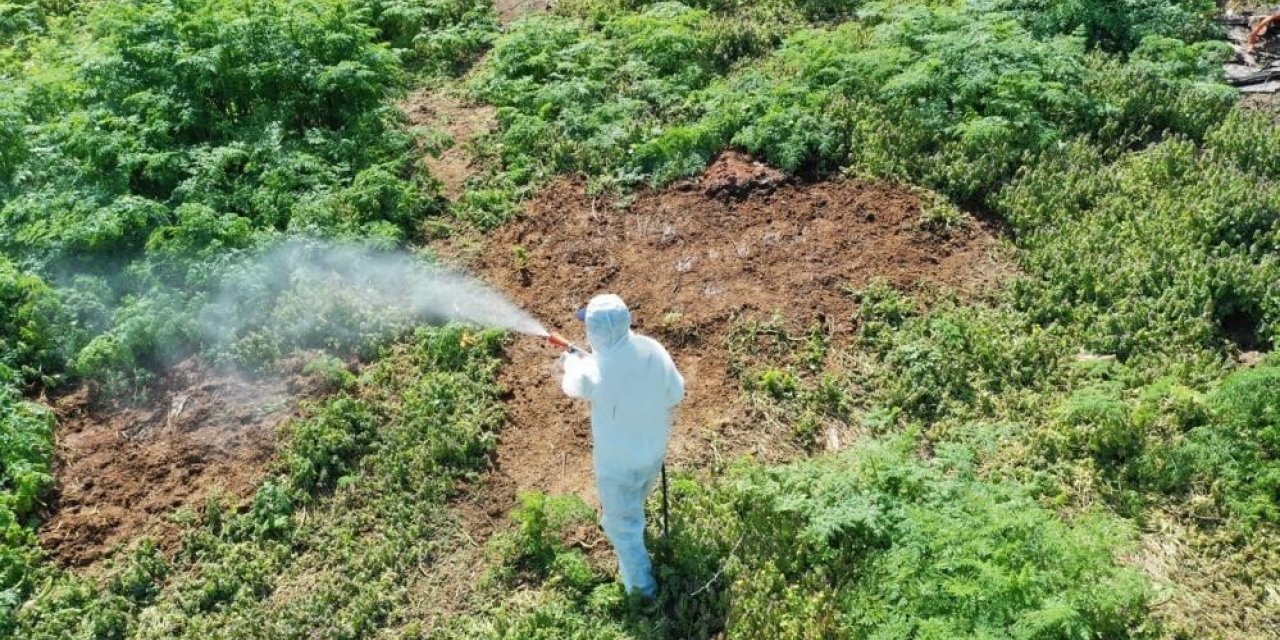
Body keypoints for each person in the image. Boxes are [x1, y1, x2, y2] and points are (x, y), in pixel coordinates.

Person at [560, 294, 685, 599]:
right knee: (638, 498)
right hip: (653, 453)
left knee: (622, 527)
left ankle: (643, 596)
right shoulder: (652, 349)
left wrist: (572, 361)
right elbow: (676, 393)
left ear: (595, 333)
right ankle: (636, 521)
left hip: (618, 467)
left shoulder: (590, 373)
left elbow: (571, 385)